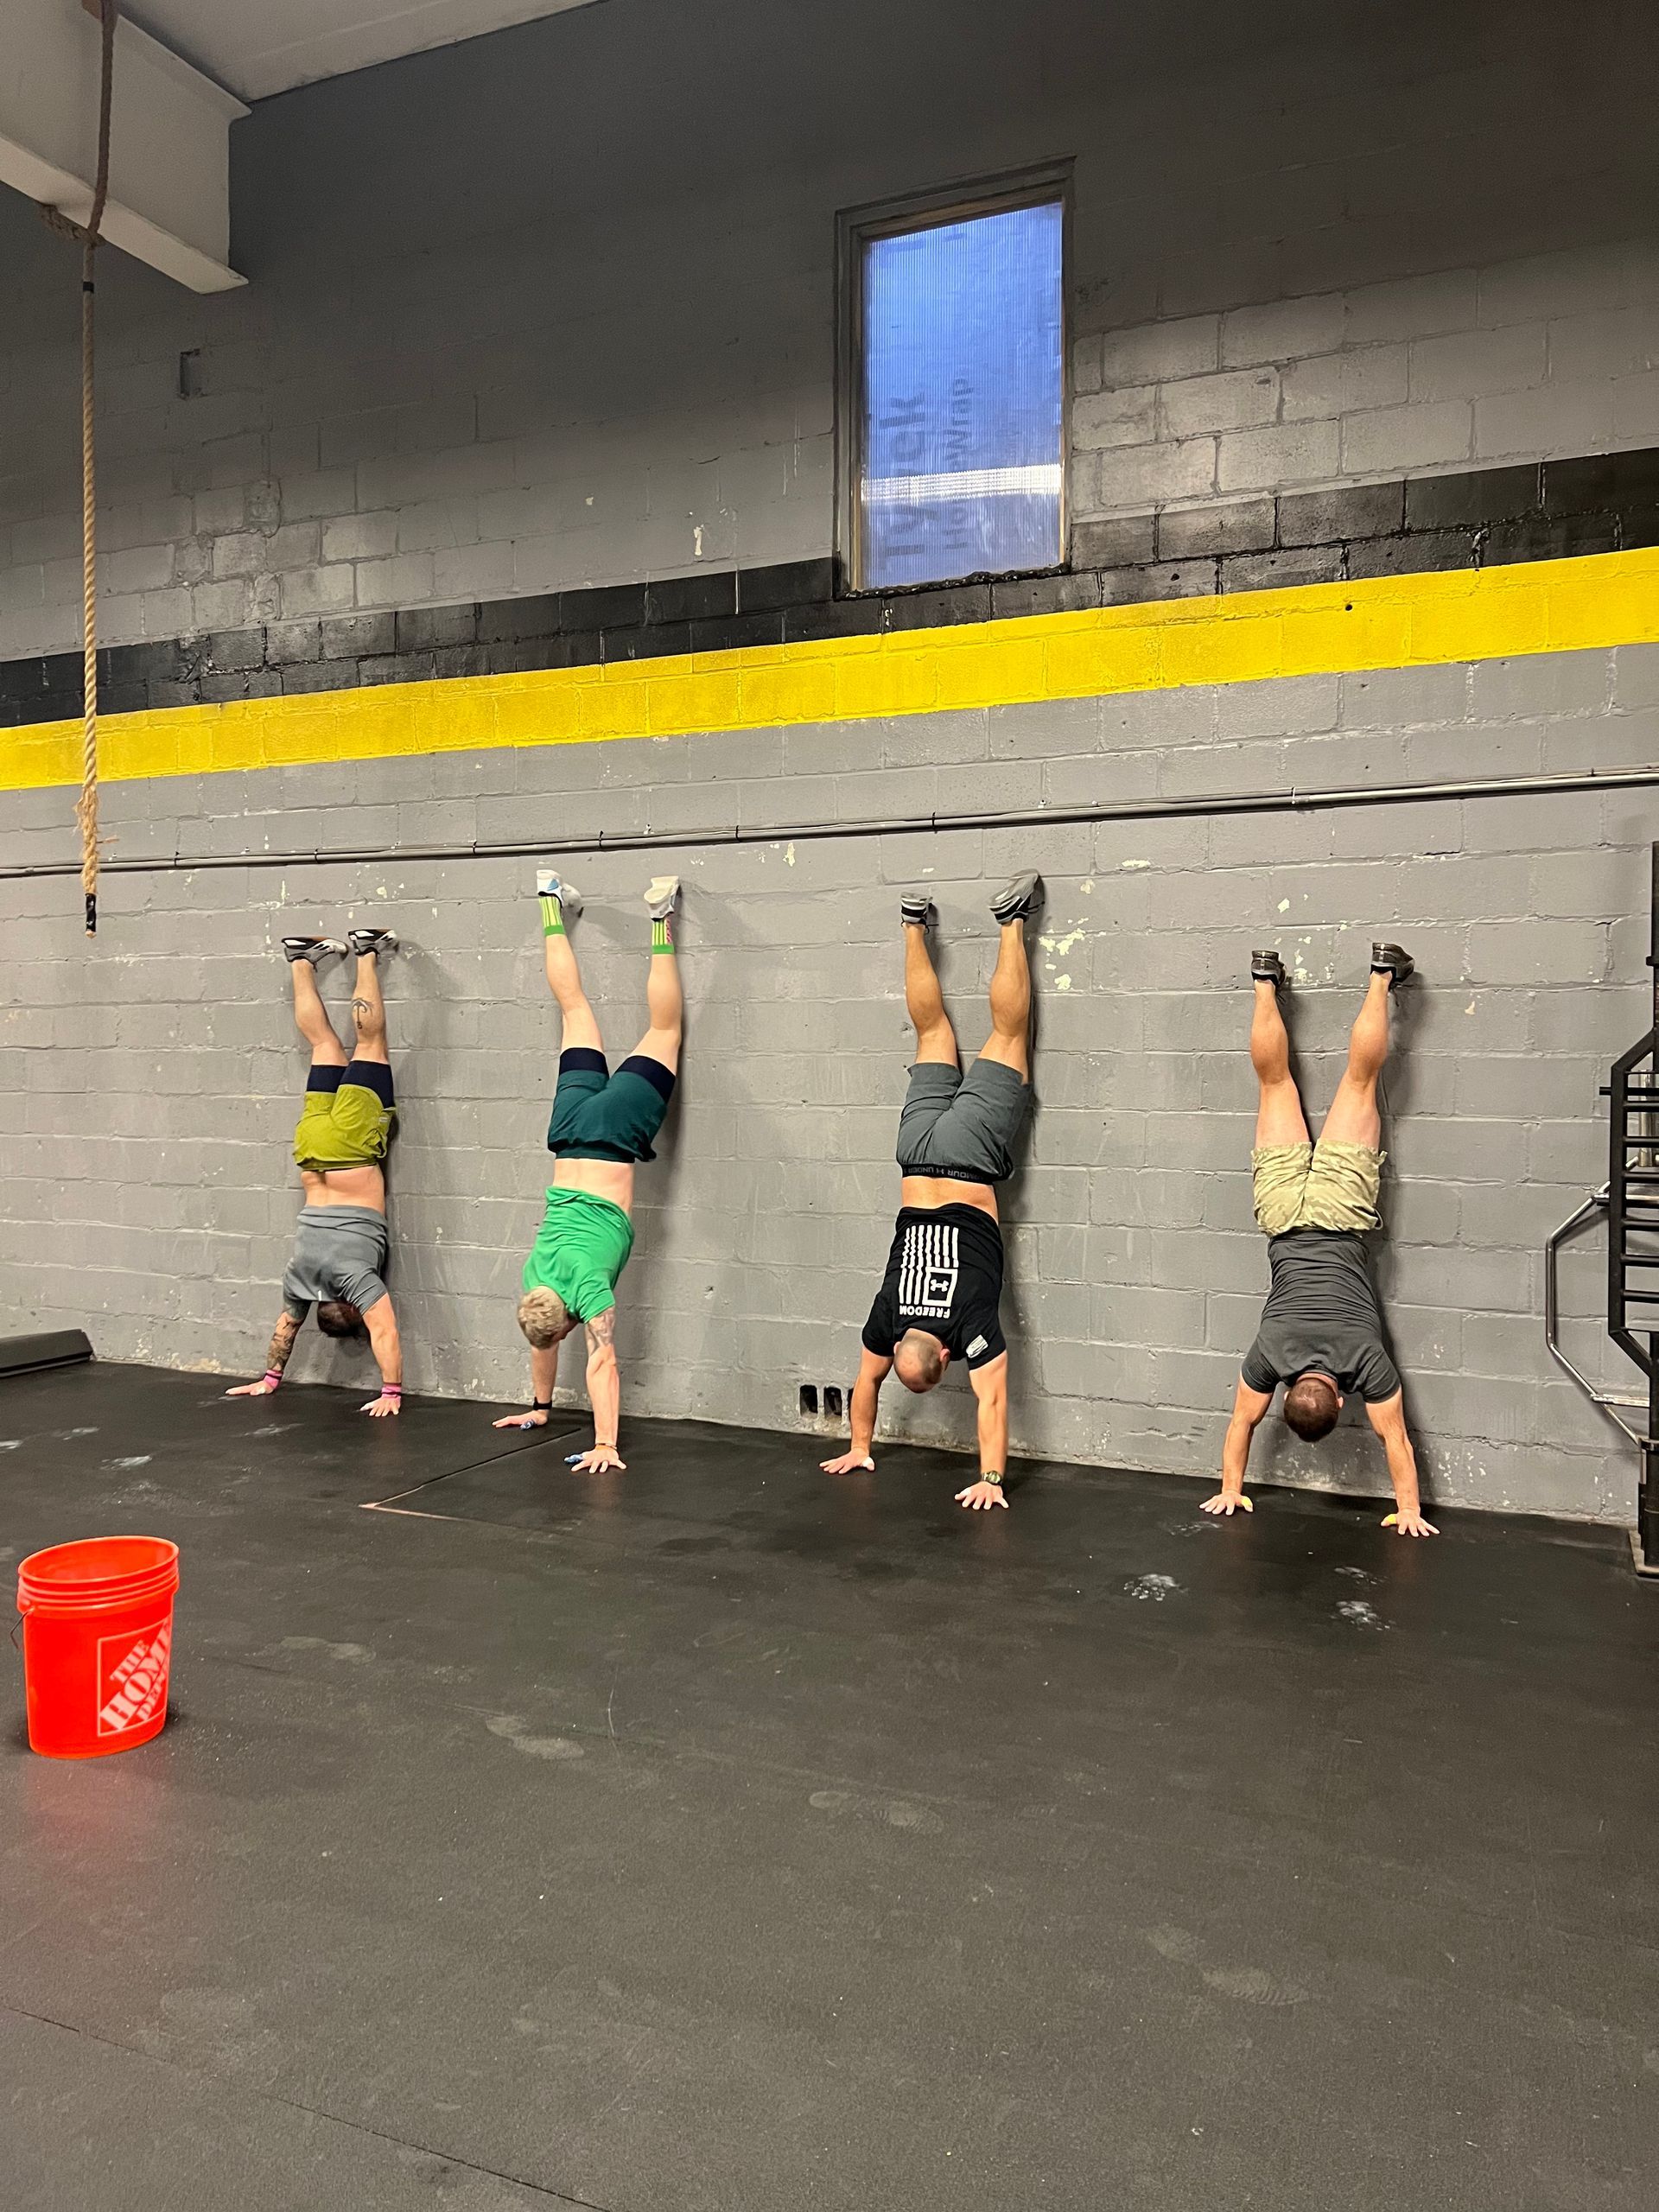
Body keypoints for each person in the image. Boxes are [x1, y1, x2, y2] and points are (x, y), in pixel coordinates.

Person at [823, 874, 1041, 1511]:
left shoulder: (967, 1328)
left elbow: (992, 1399)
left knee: (1008, 1037)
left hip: (971, 1161)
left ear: (943, 1355)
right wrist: (858, 1442)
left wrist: (992, 1480)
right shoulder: (886, 1318)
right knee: (931, 1034)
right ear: (902, 1348)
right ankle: (913, 923)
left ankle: (1011, 922)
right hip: (915, 1158)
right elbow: (865, 1381)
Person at [1201, 943, 1437, 1535]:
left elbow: (1396, 1439)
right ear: (1289, 1396)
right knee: (1274, 1082)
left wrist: (1407, 1510)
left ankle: (1381, 975)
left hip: (1340, 1210)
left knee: (1361, 1082)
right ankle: (1262, 983)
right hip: (1282, 1213)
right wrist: (1229, 1488)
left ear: (1340, 1403)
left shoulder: (1368, 1365)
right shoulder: (1268, 1356)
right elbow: (1239, 1426)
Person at [493, 870, 683, 1472]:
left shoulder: (589, 1298)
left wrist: (606, 1444)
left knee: (666, 1030)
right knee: (573, 1007)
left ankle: (660, 917)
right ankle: (550, 900)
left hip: (615, 1137)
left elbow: (603, 1362)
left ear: (570, 1318)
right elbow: (540, 1332)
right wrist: (539, 1406)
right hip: (569, 1130)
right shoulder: (535, 1278)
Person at [225, 929, 406, 1417]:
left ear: (350, 1311)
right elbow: (286, 1329)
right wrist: (268, 1378)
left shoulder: (357, 1281)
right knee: (323, 1042)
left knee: (370, 1040)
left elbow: (385, 1329)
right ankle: (300, 961)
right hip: (310, 1151)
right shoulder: (297, 1279)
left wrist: (390, 1391)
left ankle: (366, 952)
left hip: (351, 1145)